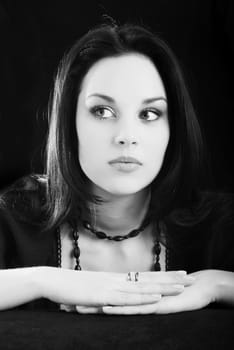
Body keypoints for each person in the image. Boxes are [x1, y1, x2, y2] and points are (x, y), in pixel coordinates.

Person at [0, 22, 234, 315]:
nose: (126, 135)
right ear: (69, 123)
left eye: (149, 113)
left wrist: (218, 285)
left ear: (172, 130)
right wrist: (41, 280)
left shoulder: (217, 227)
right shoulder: (17, 217)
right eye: (102, 111)